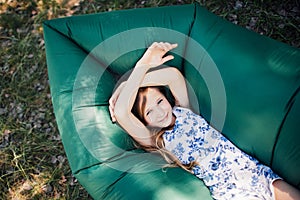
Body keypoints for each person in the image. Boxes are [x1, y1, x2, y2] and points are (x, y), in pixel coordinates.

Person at [108, 42, 300, 200]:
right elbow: (121, 112)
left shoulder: (183, 109)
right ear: (145, 122)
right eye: (149, 112)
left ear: (166, 97)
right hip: (231, 192)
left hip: (254, 171)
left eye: (159, 101)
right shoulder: (155, 139)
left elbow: (172, 76)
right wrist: (141, 66)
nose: (159, 112)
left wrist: (127, 84)